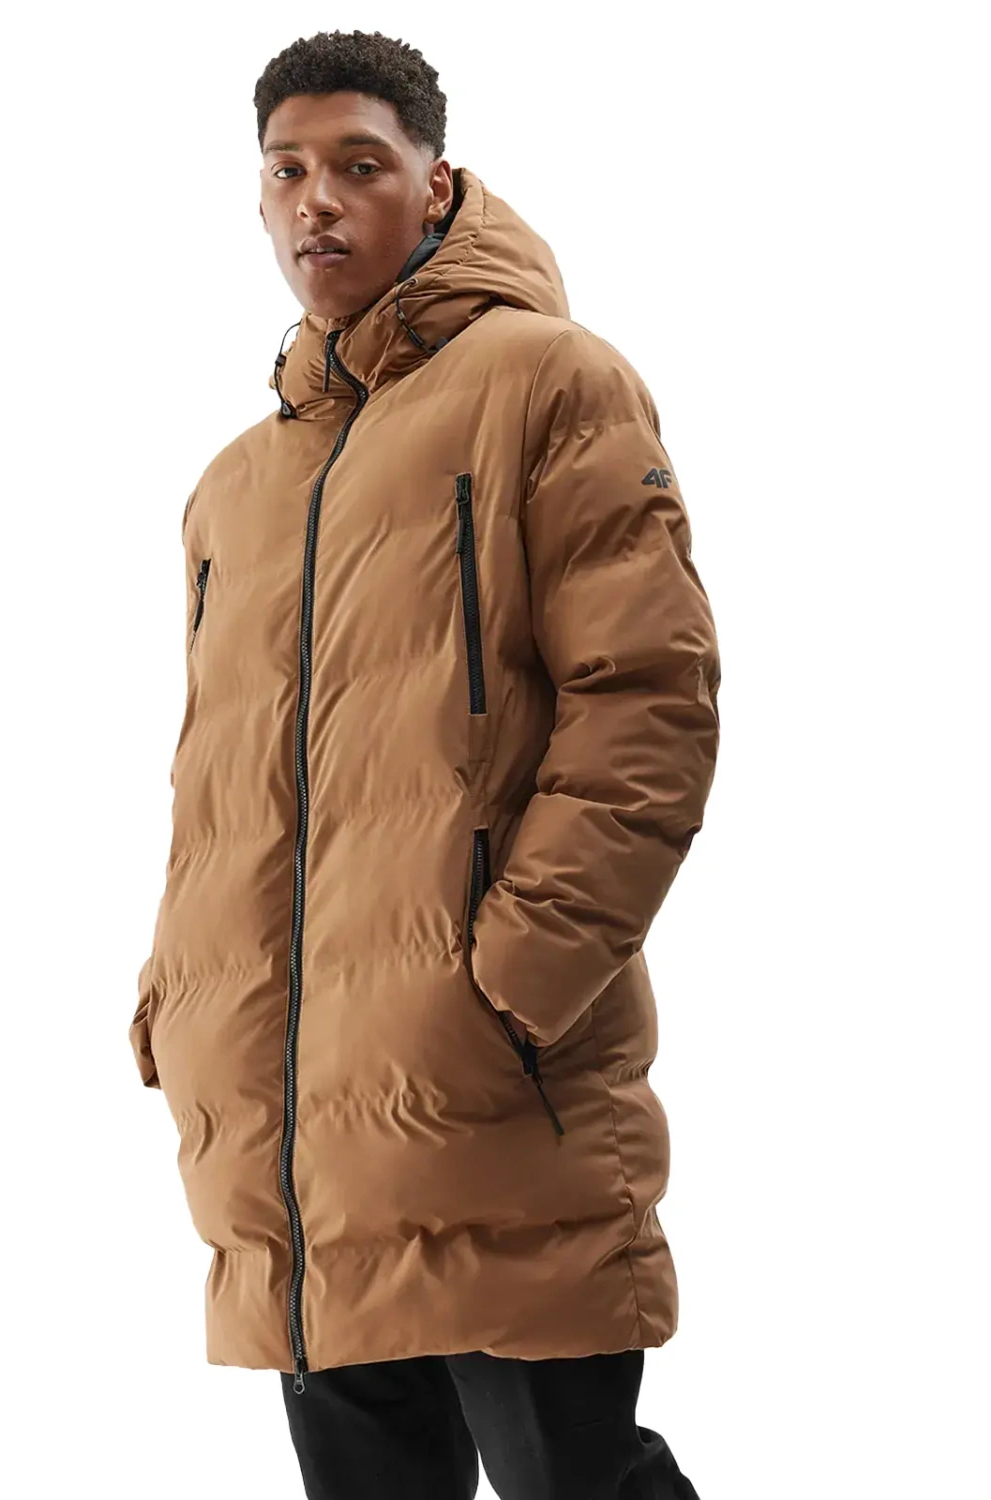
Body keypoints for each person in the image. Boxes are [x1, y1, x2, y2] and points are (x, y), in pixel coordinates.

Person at [130, 27, 720, 1500]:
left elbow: (647, 699)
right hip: (283, 1123)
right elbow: (217, 786)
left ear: (435, 185)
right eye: (286, 172)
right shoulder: (234, 487)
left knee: (576, 1481)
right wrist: (177, 997)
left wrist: (515, 979)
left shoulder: (551, 382)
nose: (316, 201)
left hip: (487, 1089)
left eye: (358, 165)